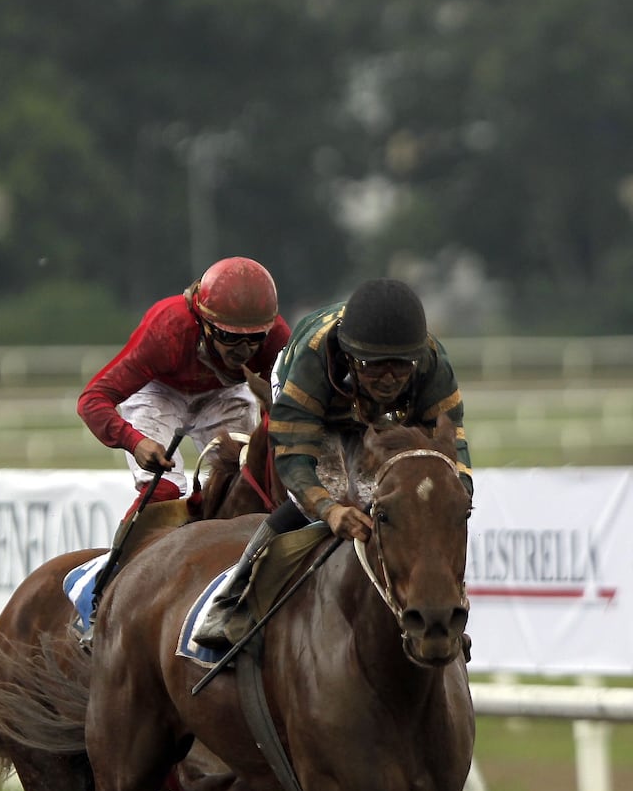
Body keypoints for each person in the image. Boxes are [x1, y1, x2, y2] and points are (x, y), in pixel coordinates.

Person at [192, 276, 474, 646]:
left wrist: (455, 494)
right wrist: (328, 509)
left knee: (396, 500)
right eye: (375, 366)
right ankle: (234, 597)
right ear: (349, 354)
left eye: (400, 366)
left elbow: (453, 445)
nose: (389, 379)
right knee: (337, 495)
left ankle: (432, 607)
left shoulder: (431, 361)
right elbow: (293, 457)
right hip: (313, 410)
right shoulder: (313, 356)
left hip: (378, 416)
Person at [77, 256, 290, 515]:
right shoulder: (168, 330)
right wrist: (135, 442)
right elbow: (92, 400)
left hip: (225, 392)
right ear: (204, 322)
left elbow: (284, 408)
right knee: (163, 490)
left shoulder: (277, 338)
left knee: (246, 486)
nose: (244, 350)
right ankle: (126, 556)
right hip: (161, 391)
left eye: (255, 338)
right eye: (229, 337)